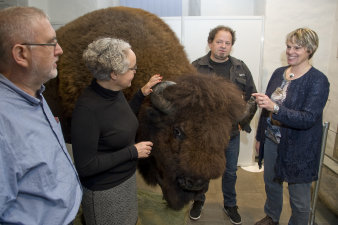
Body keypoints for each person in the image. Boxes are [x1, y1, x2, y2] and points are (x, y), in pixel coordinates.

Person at [0, 6, 82, 224]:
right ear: (21, 54)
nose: (60, 50)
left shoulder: (34, 92)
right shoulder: (3, 124)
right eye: (51, 42)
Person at [71, 37, 162, 225]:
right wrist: (133, 151)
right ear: (114, 73)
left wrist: (141, 93)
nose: (135, 72)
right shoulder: (87, 110)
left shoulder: (113, 91)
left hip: (125, 180)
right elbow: (85, 166)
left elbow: (118, 119)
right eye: (132, 68)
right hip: (105, 192)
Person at [253, 28, 330, 225]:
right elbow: (266, 109)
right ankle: (272, 216)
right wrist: (260, 137)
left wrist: (275, 107)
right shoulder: (280, 73)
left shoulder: (318, 80)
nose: (291, 51)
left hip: (300, 148)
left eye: (298, 47)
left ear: (310, 50)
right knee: (271, 183)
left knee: (299, 199)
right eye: (288, 46)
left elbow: (308, 118)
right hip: (271, 140)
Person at [190, 25, 257, 224]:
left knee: (230, 171)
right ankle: (198, 200)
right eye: (219, 42)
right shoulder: (197, 67)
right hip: (205, 134)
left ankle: (230, 204)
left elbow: (252, 97)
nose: (223, 46)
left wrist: (243, 121)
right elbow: (187, 100)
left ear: (231, 46)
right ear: (210, 43)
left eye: (227, 43)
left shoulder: (240, 68)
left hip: (231, 133)